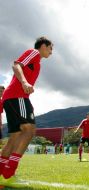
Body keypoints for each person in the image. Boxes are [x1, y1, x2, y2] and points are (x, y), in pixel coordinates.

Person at [0, 37, 53, 179]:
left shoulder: (38, 63)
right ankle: (10, 171)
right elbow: (16, 65)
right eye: (50, 48)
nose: (51, 52)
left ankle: (2, 170)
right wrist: (24, 82)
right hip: (17, 96)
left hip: (12, 98)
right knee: (29, 130)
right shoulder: (34, 53)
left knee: (15, 137)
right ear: (43, 46)